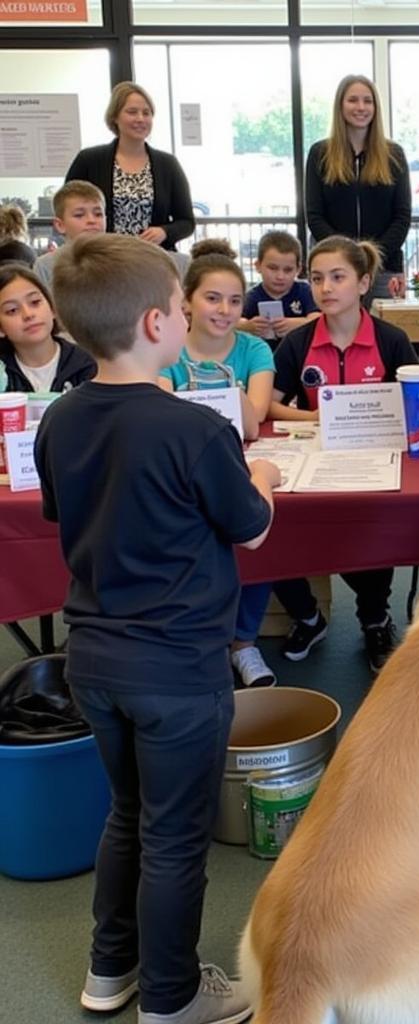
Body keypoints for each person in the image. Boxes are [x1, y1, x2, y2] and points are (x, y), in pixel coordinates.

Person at [35, 233, 280, 1024]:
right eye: (181, 305)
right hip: (177, 670)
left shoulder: (59, 420)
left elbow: (67, 509)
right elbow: (251, 530)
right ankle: (171, 997)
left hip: (95, 660)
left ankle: (112, 971)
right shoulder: (194, 430)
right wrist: (263, 476)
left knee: (128, 813)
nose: (187, 316)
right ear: (154, 324)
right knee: (176, 836)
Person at [270, 235, 419, 675]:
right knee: (271, 528)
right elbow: (270, 404)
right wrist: (317, 418)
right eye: (316, 279)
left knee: (373, 531)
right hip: (310, 463)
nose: (325, 288)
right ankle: (308, 617)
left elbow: (411, 402)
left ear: (364, 282)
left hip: (374, 463)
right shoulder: (298, 343)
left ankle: (375, 619)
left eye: (338, 277)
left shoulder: (391, 340)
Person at [157, 239, 278, 690]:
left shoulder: (253, 351)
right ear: (187, 302)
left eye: (234, 300)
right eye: (212, 298)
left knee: (259, 537)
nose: (225, 310)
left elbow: (255, 421)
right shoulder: (168, 350)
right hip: (182, 467)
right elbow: (165, 415)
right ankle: (201, 644)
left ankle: (243, 643)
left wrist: (224, 381)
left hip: (236, 461)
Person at [305, 75, 411, 300]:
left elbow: (402, 216)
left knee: (381, 333)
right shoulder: (319, 154)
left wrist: (371, 258)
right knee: (336, 332)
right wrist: (346, 257)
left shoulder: (394, 154)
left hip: (384, 269)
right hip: (334, 271)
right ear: (340, 106)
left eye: (367, 101)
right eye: (353, 100)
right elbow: (315, 216)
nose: (361, 107)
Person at [65, 82, 195, 252]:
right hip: (100, 258)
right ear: (115, 117)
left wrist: (164, 232)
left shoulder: (168, 164)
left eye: (146, 113)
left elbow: (187, 222)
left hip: (153, 259)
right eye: (132, 112)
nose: (140, 119)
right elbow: (66, 208)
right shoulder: (89, 160)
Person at [0, 264, 95, 392]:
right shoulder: (2, 373)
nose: (28, 314)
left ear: (52, 308)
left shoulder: (87, 364)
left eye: (35, 302)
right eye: (12, 310)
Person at [239, 230, 319, 348]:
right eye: (273, 268)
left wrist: (295, 324)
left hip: (300, 353)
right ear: (258, 266)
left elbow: (319, 318)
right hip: (264, 354)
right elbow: (233, 320)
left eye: (288, 270)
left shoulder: (305, 291)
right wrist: (248, 326)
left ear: (298, 269)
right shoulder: (252, 296)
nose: (280, 276)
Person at [33, 180, 107, 288]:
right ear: (60, 225)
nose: (91, 220)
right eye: (79, 215)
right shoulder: (45, 266)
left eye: (98, 214)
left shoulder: (121, 261)